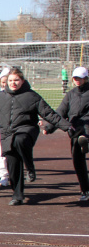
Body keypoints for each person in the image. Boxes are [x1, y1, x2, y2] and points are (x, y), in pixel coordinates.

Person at [0, 68, 72, 205]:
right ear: (6, 82)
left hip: (27, 130)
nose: (13, 83)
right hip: (6, 134)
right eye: (10, 80)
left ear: (22, 81)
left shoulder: (32, 96)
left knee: (20, 140)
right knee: (12, 164)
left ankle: (29, 167)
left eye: (16, 80)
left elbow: (49, 114)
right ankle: (17, 195)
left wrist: (67, 127)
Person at [49, 66, 89, 201]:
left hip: (86, 126)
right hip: (75, 130)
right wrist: (49, 127)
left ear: (86, 78)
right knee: (78, 161)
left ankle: (86, 139)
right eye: (76, 78)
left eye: (81, 78)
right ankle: (85, 190)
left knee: (85, 130)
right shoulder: (70, 94)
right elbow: (60, 112)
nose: (78, 80)